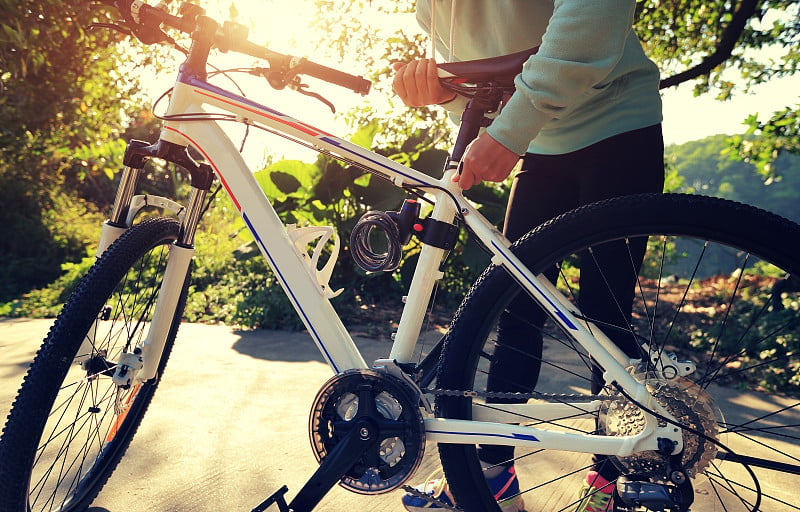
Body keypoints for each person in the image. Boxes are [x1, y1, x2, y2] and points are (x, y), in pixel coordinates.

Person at [393, 1, 665, 512]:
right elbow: (485, 85)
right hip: (542, 142)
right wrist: (442, 92)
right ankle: (494, 474)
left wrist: (507, 133)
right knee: (512, 307)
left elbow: (592, 18)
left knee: (605, 318)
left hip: (618, 125)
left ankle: (617, 481)